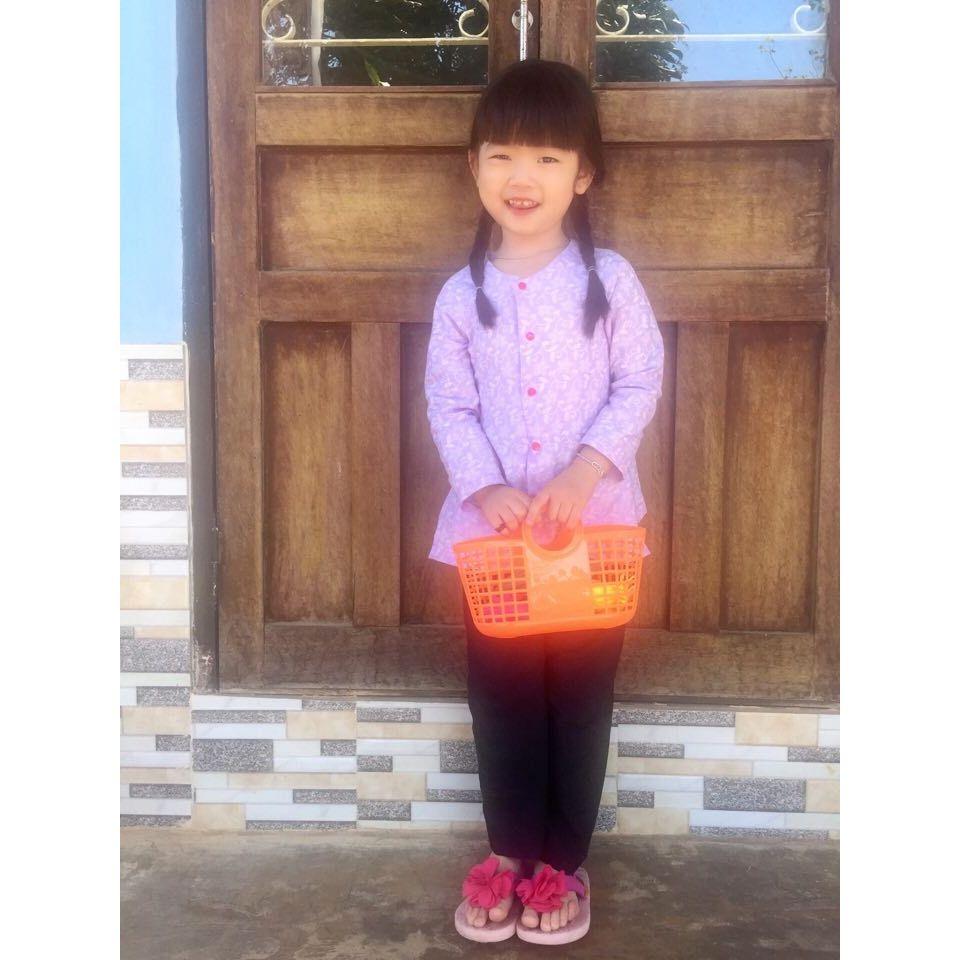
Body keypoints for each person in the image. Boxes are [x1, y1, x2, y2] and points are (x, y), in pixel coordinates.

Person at [423, 58, 665, 944]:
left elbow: (640, 382)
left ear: (583, 175)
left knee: (580, 699)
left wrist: (583, 473)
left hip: (594, 540)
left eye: (547, 158)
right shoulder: (462, 295)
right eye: (502, 156)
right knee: (504, 699)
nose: (521, 178)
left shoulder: (612, 281)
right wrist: (484, 485)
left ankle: (565, 859)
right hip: (493, 549)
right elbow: (448, 403)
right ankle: (511, 849)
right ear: (474, 167)